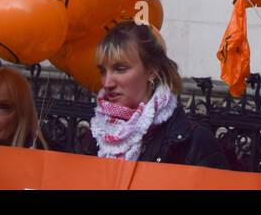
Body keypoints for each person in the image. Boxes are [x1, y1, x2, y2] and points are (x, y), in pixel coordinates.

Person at [86, 21, 239, 170]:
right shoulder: (96, 134)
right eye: (102, 71)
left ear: (152, 71)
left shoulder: (194, 141)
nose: (107, 83)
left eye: (120, 69)